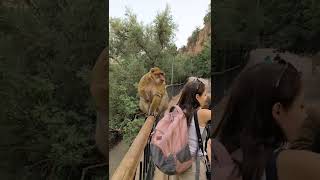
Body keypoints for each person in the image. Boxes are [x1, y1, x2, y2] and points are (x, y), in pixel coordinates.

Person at [211, 60, 320, 180]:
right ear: (278, 111)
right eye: (301, 106)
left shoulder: (222, 157)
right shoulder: (301, 165)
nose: (305, 115)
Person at [154, 78, 211, 180]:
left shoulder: (178, 112)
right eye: (205, 95)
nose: (207, 97)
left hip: (178, 163)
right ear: (197, 97)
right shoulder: (202, 114)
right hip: (193, 167)